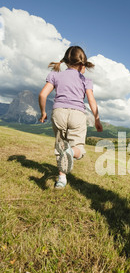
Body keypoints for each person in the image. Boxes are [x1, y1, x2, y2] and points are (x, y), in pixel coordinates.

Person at [39, 45, 103, 189]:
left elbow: (42, 95)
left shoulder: (55, 75)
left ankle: (61, 179)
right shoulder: (85, 80)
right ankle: (71, 152)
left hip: (58, 112)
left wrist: (43, 112)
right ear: (82, 64)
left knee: (60, 146)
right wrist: (97, 119)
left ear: (66, 61)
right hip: (78, 114)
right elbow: (91, 100)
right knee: (79, 149)